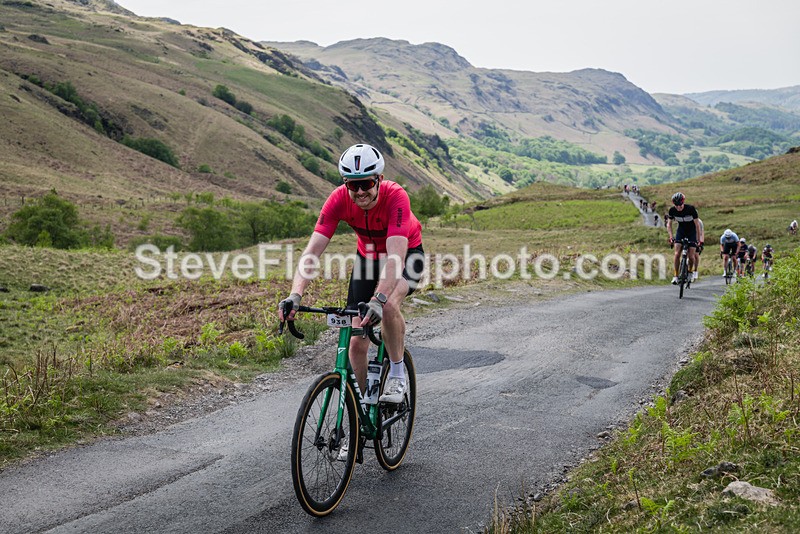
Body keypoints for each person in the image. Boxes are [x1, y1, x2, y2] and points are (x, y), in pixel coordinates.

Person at [278, 143, 425, 407]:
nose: (359, 192)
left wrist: (378, 300)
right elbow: (311, 252)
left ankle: (397, 374)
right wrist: (295, 295)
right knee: (357, 342)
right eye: (352, 185)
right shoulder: (338, 199)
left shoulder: (396, 197)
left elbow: (395, 258)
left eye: (365, 184)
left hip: (406, 255)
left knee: (388, 305)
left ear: (379, 179)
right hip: (367, 258)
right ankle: (366, 407)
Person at [666, 192, 701, 285]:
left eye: (680, 205)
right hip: (681, 231)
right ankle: (676, 275)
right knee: (677, 254)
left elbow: (697, 225)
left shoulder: (691, 209)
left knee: (691, 256)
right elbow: (669, 224)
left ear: (683, 202)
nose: (678, 207)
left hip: (692, 232)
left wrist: (698, 240)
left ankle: (690, 272)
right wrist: (671, 237)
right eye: (676, 205)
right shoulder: (672, 210)